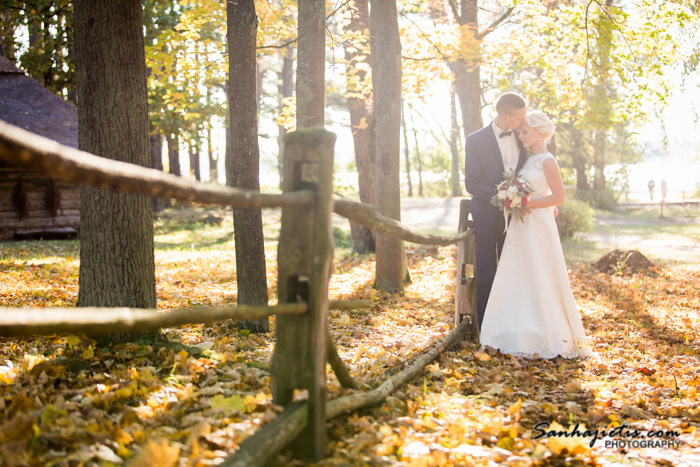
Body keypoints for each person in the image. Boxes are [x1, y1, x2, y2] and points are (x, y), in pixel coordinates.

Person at [479, 110, 594, 359]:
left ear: (539, 133)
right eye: (520, 131)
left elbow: (559, 197)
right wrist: (513, 197)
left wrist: (524, 203)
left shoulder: (547, 161)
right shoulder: (527, 159)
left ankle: (548, 333)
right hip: (521, 226)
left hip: (538, 225)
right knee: (518, 272)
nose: (520, 136)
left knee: (541, 273)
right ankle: (515, 329)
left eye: (525, 132)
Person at [464, 92, 528, 331]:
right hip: (487, 217)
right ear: (504, 117)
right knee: (487, 272)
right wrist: (501, 196)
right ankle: (486, 327)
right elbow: (471, 182)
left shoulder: (523, 137)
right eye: (519, 117)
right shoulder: (475, 140)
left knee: (514, 271)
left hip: (519, 219)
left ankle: (513, 324)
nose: (523, 121)